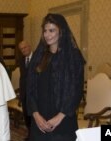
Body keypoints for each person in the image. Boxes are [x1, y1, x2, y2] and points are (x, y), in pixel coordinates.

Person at [26, 13, 85, 141]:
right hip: (39, 122)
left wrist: (59, 118)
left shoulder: (73, 57)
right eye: (45, 30)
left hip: (63, 121)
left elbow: (76, 91)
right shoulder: (38, 56)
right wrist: (36, 115)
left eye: (52, 30)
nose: (47, 34)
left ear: (61, 31)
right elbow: (30, 88)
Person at [17, 40, 33, 140]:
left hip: (35, 95)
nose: (23, 50)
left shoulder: (38, 58)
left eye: (25, 47)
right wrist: (20, 94)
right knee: (26, 116)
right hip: (24, 94)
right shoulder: (21, 60)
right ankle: (30, 134)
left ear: (29, 46)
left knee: (34, 116)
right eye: (21, 49)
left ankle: (34, 135)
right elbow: (22, 78)